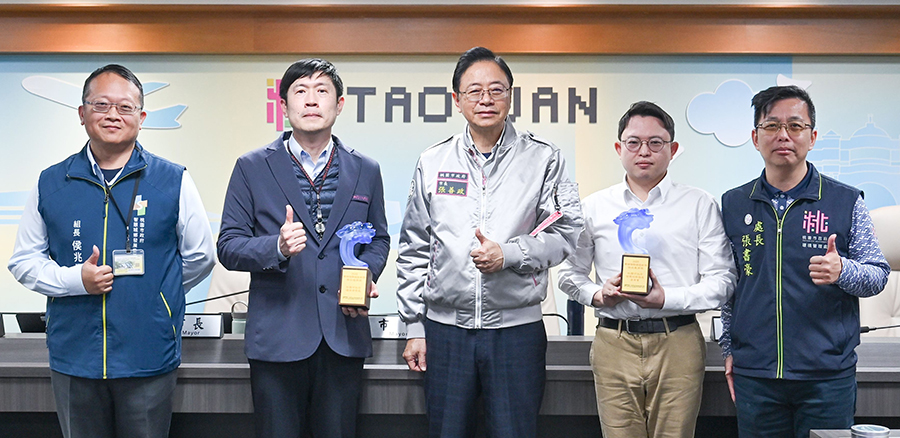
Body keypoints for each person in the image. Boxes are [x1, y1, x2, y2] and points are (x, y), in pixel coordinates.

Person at [7, 64, 215, 438]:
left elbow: (200, 255)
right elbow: (24, 261)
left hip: (148, 353)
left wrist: (154, 292)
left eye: (125, 107)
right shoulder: (51, 182)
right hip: (74, 355)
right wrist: (75, 280)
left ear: (142, 118)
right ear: (82, 113)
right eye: (101, 105)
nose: (113, 115)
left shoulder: (173, 180)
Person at [396, 46, 583, 438]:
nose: (486, 99)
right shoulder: (433, 161)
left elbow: (566, 232)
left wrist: (509, 254)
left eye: (496, 90)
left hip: (516, 332)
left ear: (510, 96)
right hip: (445, 332)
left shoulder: (544, 159)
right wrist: (413, 325)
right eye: (474, 91)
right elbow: (414, 246)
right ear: (457, 100)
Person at [217, 58, 390, 438]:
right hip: (277, 338)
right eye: (300, 91)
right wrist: (276, 247)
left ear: (339, 104)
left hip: (343, 334)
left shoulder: (366, 168)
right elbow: (228, 246)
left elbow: (378, 238)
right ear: (283, 105)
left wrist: (365, 273)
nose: (311, 100)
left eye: (322, 91)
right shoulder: (251, 167)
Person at [557, 101, 736, 438]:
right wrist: (598, 295)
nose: (644, 151)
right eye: (633, 142)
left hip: (678, 342)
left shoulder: (699, 204)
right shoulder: (594, 207)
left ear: (673, 149)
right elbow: (568, 274)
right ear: (618, 148)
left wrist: (666, 299)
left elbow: (723, 281)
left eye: (655, 142)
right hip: (614, 341)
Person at [719, 85, 890, 438]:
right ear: (755, 137)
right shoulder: (734, 204)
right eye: (771, 125)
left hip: (826, 377)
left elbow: (878, 274)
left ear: (812, 137)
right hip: (757, 376)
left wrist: (843, 270)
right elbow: (730, 285)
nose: (783, 135)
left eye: (795, 126)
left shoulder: (845, 201)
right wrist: (729, 349)